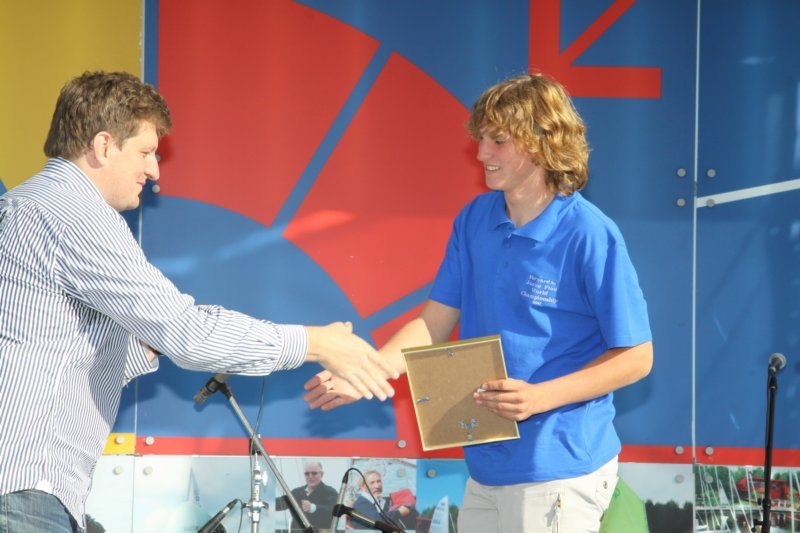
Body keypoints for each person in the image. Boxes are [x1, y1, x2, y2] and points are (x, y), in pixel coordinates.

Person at [0, 70, 398, 533]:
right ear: (104, 146)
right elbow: (189, 335)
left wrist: (156, 339)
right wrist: (317, 343)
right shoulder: (76, 214)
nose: (154, 171)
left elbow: (58, 348)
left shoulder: (29, 206)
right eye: (146, 153)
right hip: (25, 489)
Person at [304, 72, 654, 533]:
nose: (482, 152)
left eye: (498, 141)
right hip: (486, 468)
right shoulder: (474, 219)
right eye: (481, 138)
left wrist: (540, 397)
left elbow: (637, 357)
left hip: (559, 468)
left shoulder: (589, 232)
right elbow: (434, 321)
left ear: (542, 142)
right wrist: (369, 372)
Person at [275, 460, 340, 531]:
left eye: (314, 473)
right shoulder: (297, 492)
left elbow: (333, 511)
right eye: (307, 474)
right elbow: (278, 504)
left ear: (321, 474)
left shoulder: (330, 492)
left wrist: (313, 508)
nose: (310, 476)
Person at [350, 470, 418, 531]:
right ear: (363, 487)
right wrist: (399, 512)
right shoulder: (361, 503)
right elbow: (376, 521)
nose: (377, 486)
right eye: (372, 483)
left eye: (378, 481)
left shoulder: (376, 502)